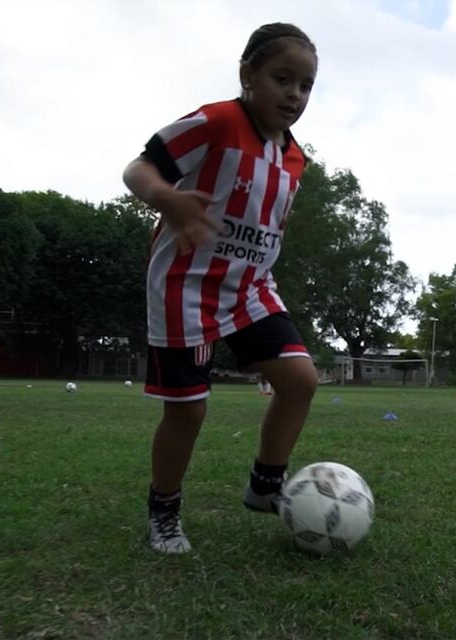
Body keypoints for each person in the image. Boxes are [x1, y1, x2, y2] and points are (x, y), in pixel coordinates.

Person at [122, 23, 320, 554]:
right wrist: (167, 198)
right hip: (184, 286)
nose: (294, 95)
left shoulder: (295, 159)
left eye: (305, 86)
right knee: (187, 409)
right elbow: (138, 170)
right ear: (247, 74)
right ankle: (164, 512)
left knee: (300, 380)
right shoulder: (216, 122)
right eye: (282, 79)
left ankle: (266, 485)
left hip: (250, 287)